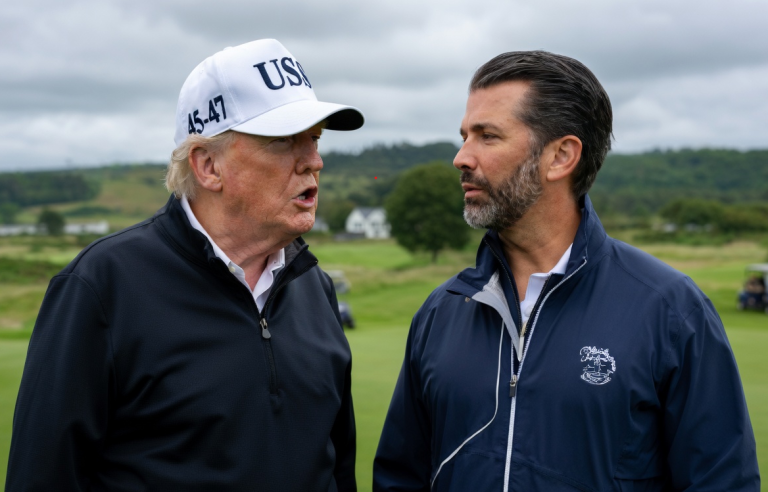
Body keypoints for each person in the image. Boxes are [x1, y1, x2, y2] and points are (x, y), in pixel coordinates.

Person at [373, 51, 759, 491]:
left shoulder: (670, 310)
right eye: (464, 136)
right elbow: (399, 477)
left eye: (488, 136)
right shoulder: (441, 312)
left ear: (561, 156)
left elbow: (722, 482)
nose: (461, 157)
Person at [7, 39, 364, 492]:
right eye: (283, 142)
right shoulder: (102, 286)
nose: (314, 161)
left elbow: (338, 469)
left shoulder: (314, 286)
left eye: (313, 139)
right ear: (207, 165)